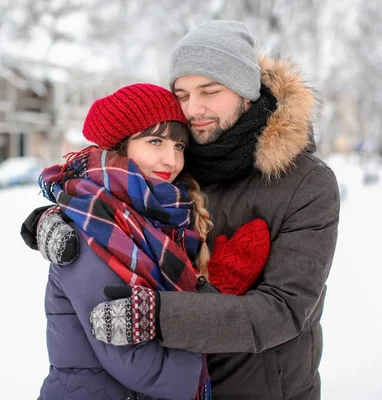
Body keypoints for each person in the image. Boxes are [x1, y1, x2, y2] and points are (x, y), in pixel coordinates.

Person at [30, 21, 340, 400]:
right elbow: (113, 196)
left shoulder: (306, 183)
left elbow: (285, 311)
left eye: (210, 90)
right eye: (182, 94)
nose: (194, 109)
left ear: (246, 92)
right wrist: (55, 218)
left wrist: (159, 316)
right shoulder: (177, 161)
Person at [24, 83, 271, 400]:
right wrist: (209, 315)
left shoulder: (160, 217)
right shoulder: (91, 228)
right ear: (120, 146)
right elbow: (142, 366)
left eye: (179, 147)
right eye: (156, 141)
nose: (171, 160)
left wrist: (212, 289)